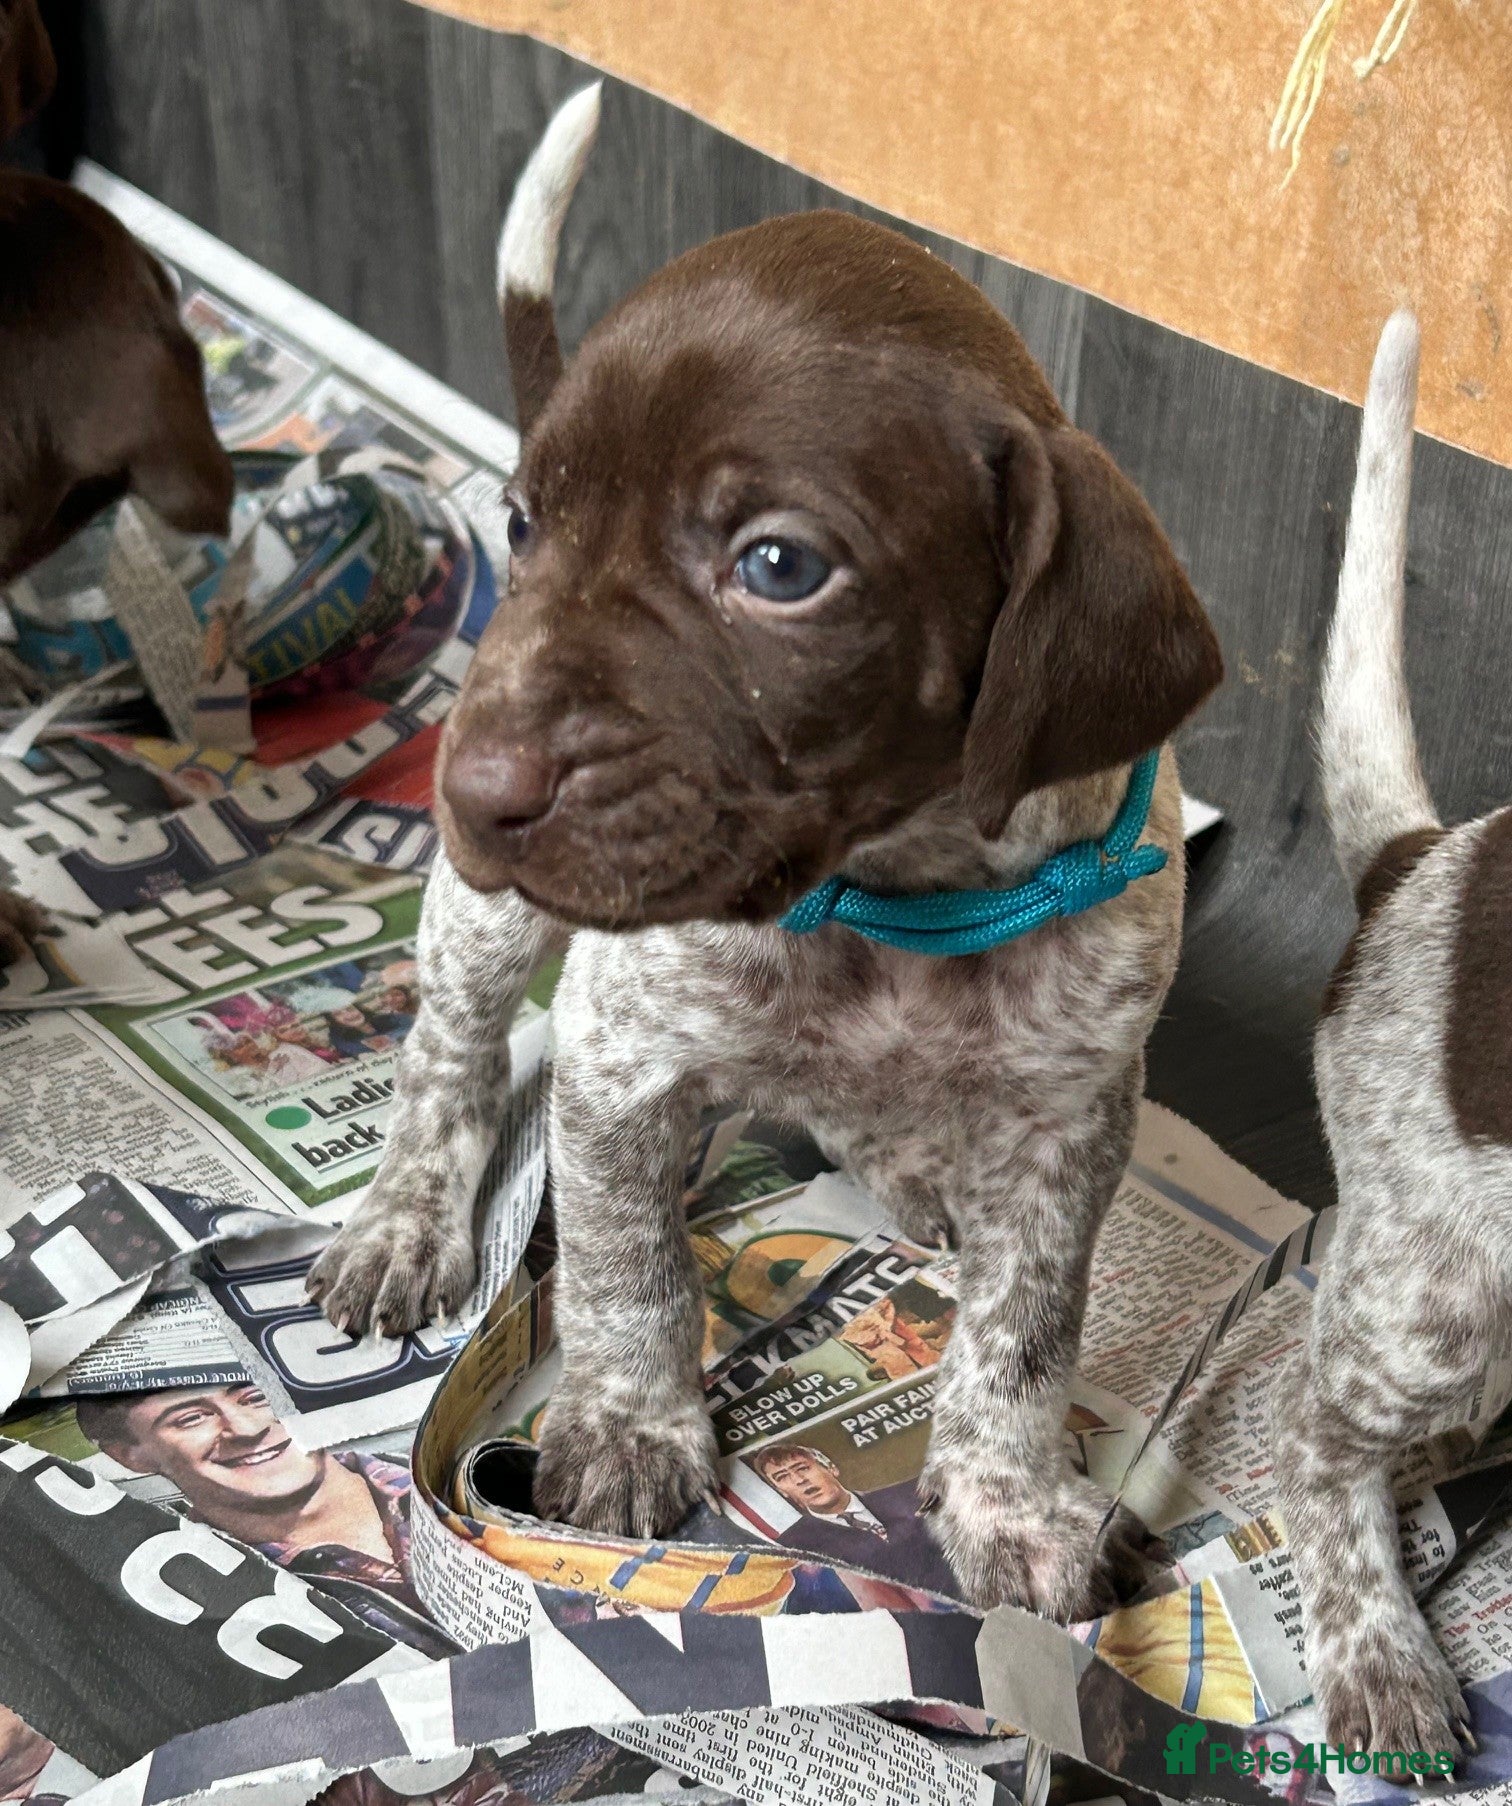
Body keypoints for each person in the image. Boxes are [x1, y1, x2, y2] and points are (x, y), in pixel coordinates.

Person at [75, 1385, 453, 1657]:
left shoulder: (449, 1459)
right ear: (130, 1456)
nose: (248, 1428)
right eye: (191, 1418)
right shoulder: (191, 1608)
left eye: (257, 1396)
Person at [745, 1442, 957, 1597]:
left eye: (803, 1468)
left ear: (830, 1467)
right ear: (782, 1492)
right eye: (783, 1477)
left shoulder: (911, 1494)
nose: (799, 1480)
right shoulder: (792, 1547)